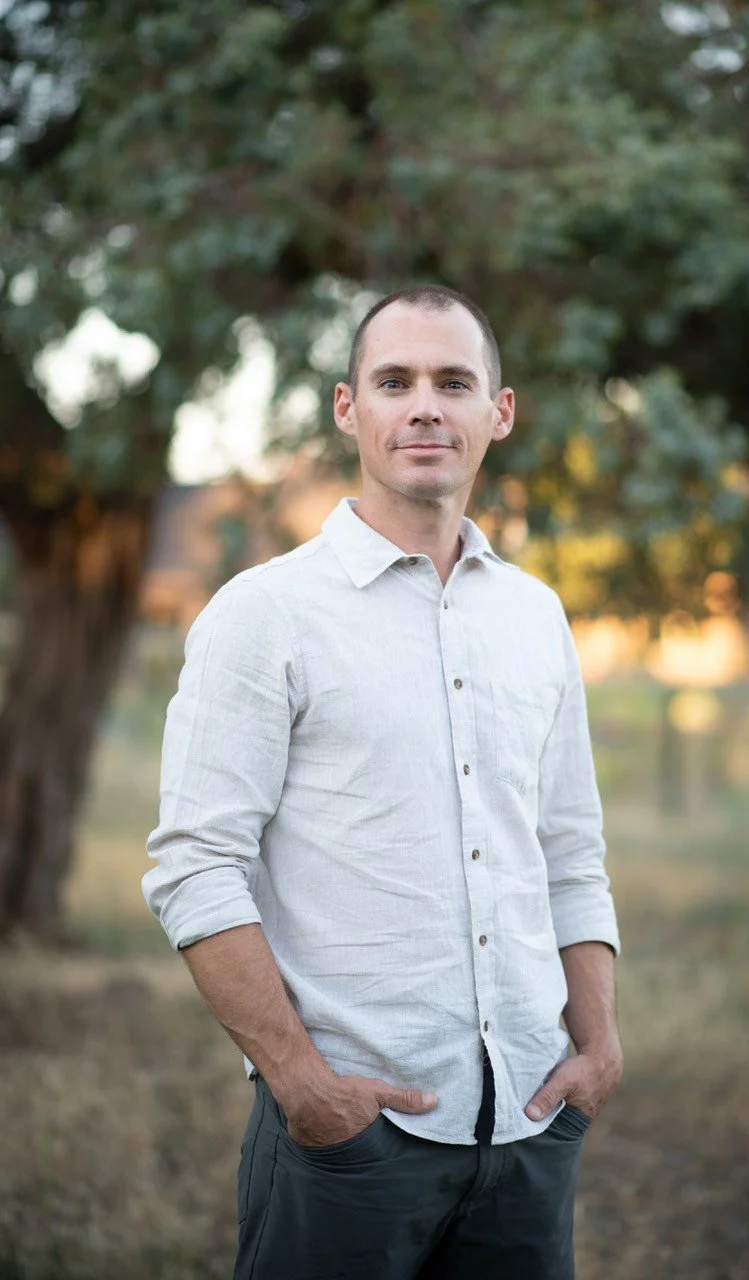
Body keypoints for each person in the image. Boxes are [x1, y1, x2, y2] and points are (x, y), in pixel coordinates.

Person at [142, 285, 622, 1280]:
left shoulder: (537, 616)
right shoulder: (263, 613)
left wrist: (600, 1043)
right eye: (394, 380)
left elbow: (569, 847)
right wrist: (301, 1083)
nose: (425, 407)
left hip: (532, 1126)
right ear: (347, 408)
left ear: (501, 411)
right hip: (351, 1141)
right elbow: (197, 867)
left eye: (454, 381)